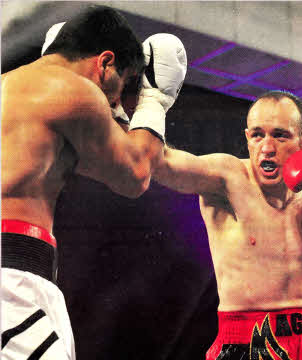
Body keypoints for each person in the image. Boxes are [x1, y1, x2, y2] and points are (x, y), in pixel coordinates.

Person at [1, 4, 187, 359]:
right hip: (12, 281)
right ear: (104, 62)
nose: (115, 102)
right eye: (122, 84)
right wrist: (155, 101)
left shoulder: (15, 90)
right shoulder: (73, 90)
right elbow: (134, 175)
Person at [153, 90, 302, 359]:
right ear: (247, 138)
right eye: (258, 135)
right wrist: (152, 102)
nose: (267, 148)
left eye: (280, 135)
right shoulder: (226, 178)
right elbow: (160, 163)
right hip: (244, 342)